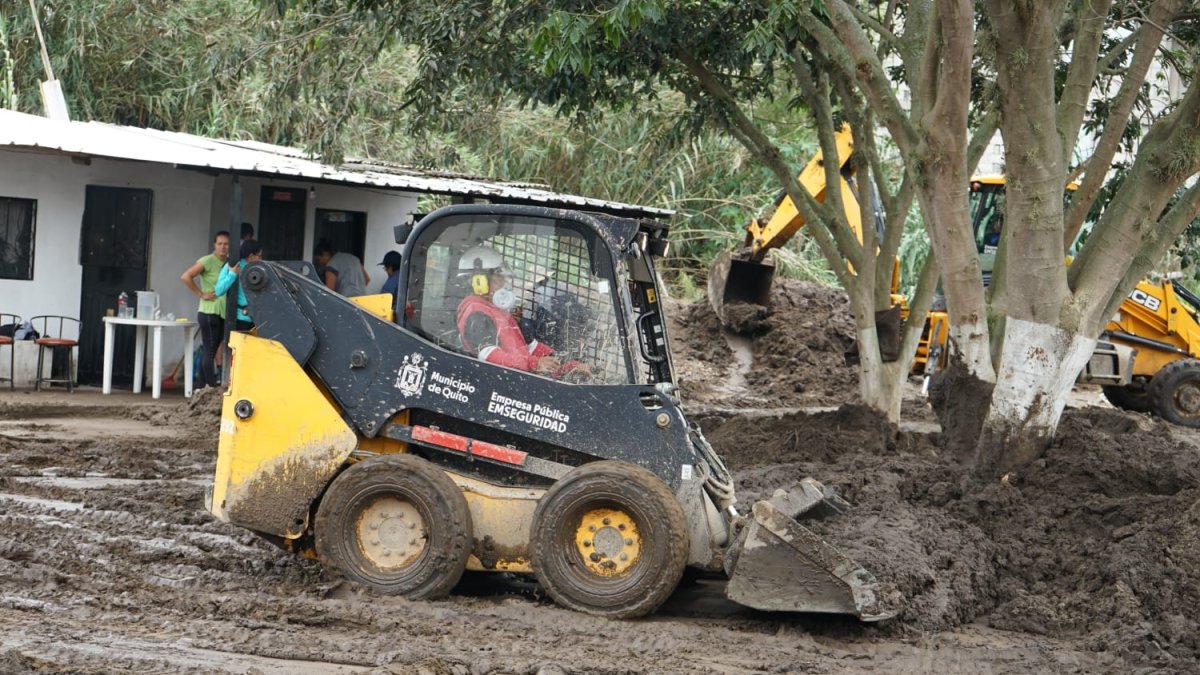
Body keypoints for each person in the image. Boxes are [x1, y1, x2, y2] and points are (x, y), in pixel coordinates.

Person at [455, 245, 588, 378]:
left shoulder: (497, 311)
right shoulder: (476, 312)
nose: (503, 284)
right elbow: (489, 355)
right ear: (479, 282)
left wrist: (568, 365)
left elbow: (530, 347)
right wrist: (535, 363)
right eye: (498, 278)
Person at [181, 231, 230, 388]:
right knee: (209, 352)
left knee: (212, 350)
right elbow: (186, 276)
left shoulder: (230, 262)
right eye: (220, 244)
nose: (223, 247)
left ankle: (201, 387)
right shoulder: (207, 261)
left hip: (223, 312)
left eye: (226, 244)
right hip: (209, 311)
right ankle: (210, 387)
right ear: (214, 245)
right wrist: (201, 294)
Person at [216, 239, 263, 331]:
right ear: (251, 256)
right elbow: (219, 290)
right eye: (259, 256)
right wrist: (232, 274)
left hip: (257, 318)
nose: (261, 259)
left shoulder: (259, 269)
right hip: (240, 318)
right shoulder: (233, 265)